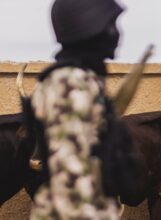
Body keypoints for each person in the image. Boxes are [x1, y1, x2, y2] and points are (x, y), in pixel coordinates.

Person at [29, 0, 125, 219]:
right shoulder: (70, 84)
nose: (117, 33)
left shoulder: (82, 79)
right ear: (89, 28)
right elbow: (70, 182)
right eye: (111, 24)